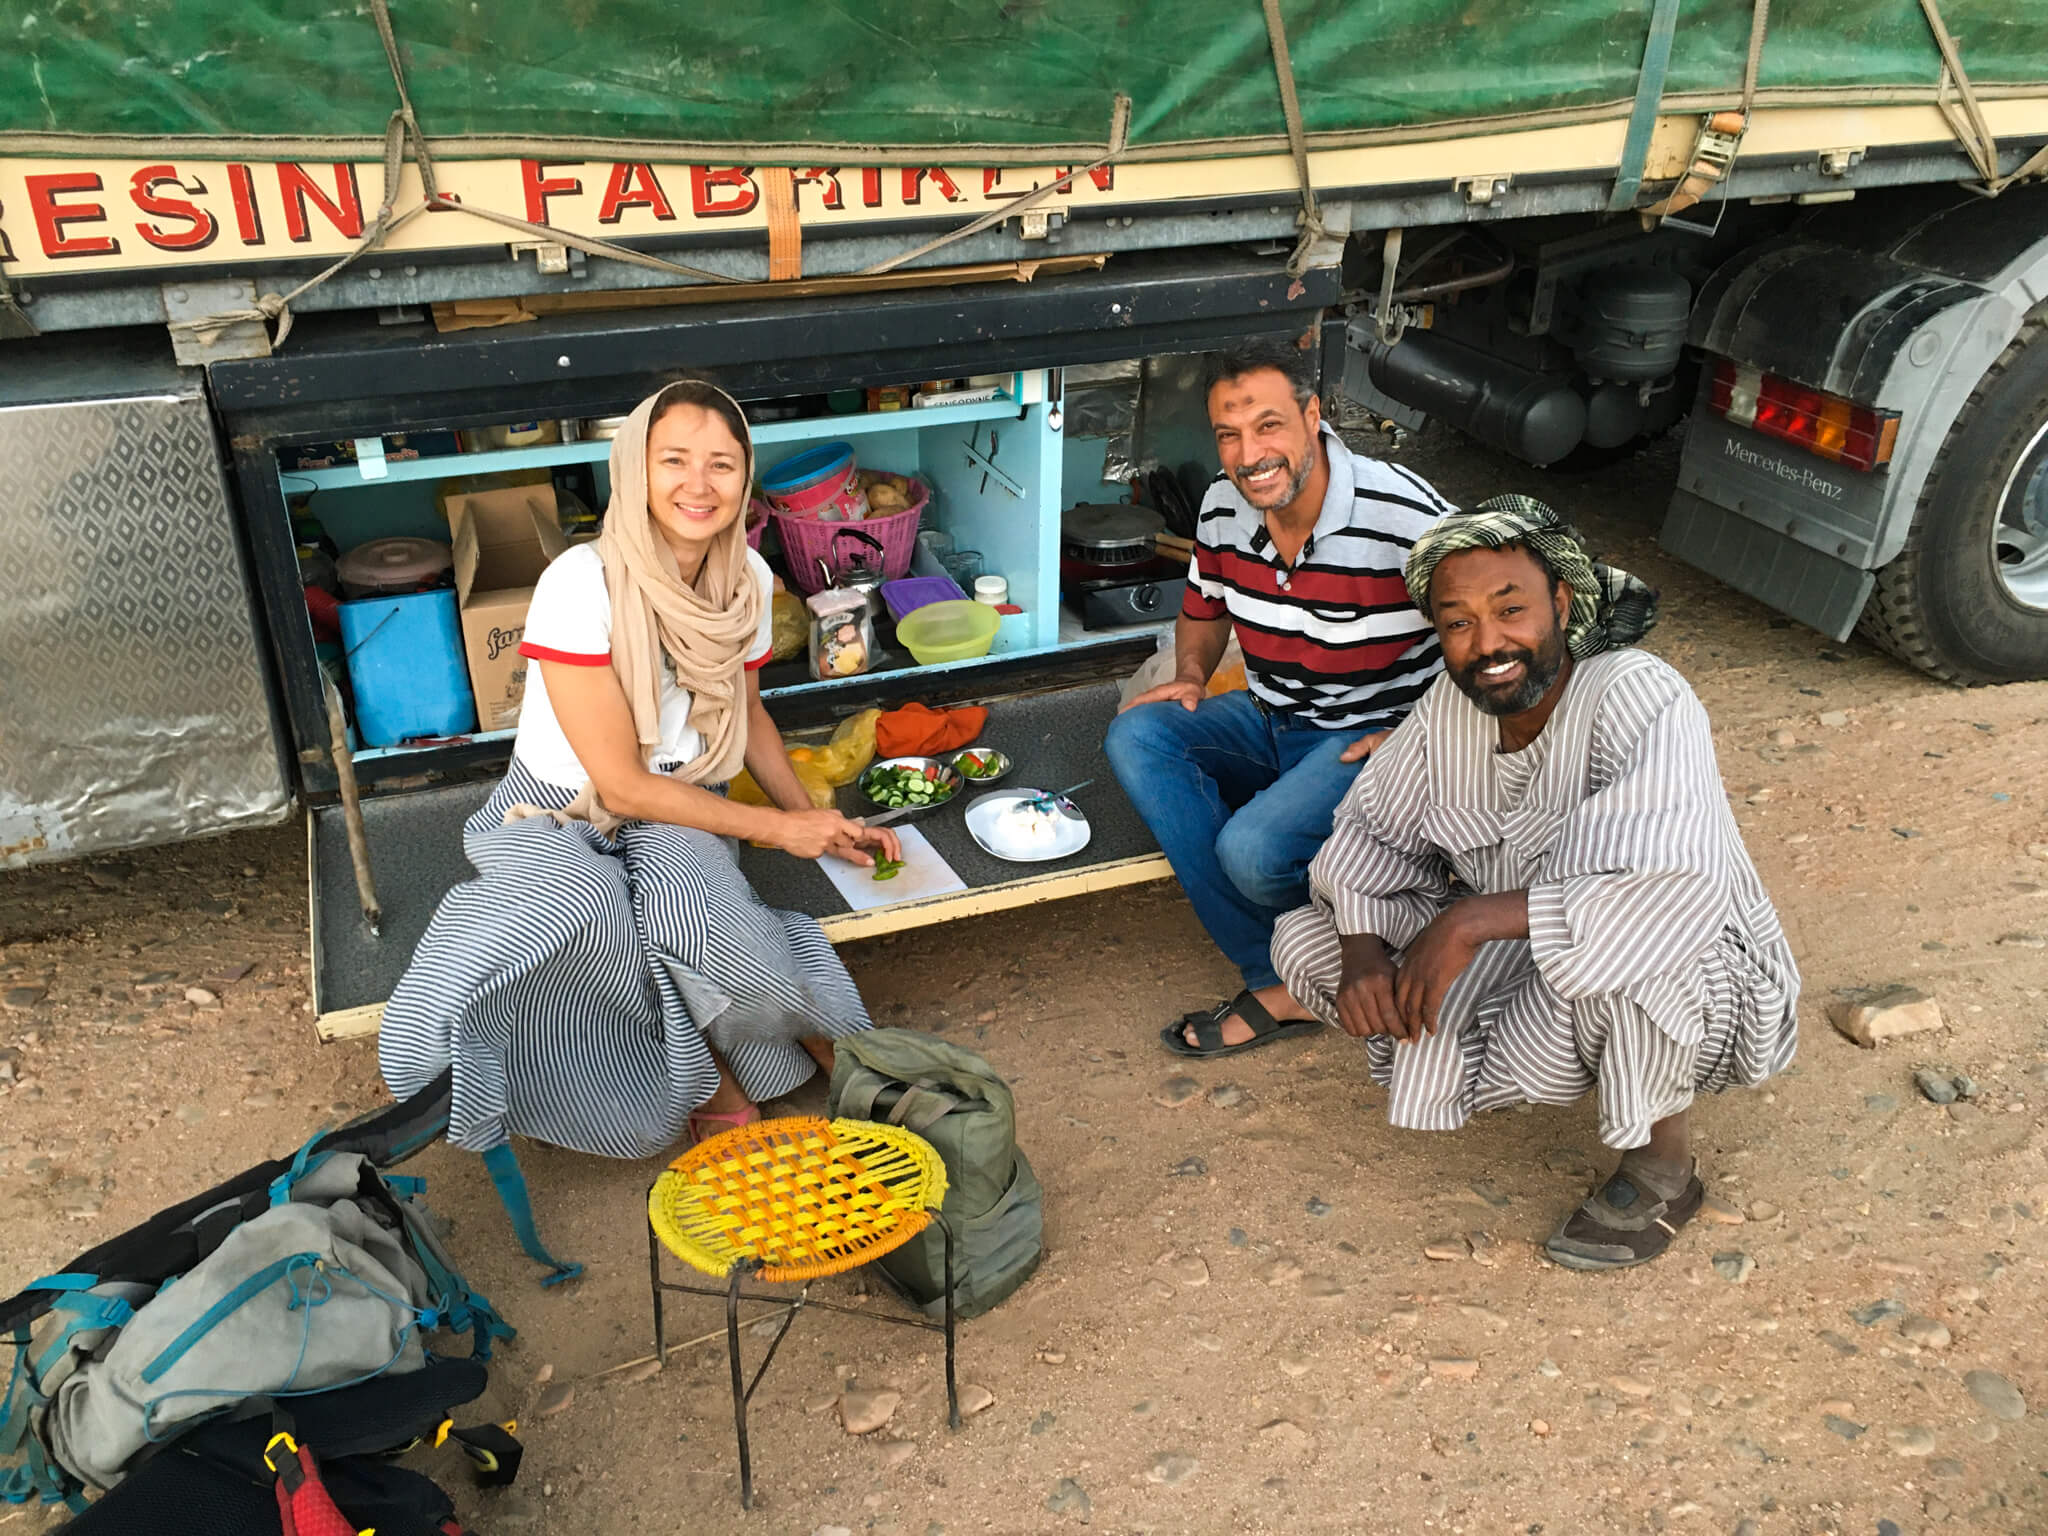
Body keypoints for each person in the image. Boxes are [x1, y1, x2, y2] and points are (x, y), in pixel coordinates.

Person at [1271, 495, 1799, 1270]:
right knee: (1307, 938)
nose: (1488, 643)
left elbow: (1667, 887)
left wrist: (1466, 923)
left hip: (1705, 970)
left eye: (1509, 608)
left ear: (1560, 599)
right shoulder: (1447, 713)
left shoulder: (1638, 693)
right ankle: (1519, 1065)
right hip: (1538, 957)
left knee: (1632, 954)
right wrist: (1360, 950)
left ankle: (1663, 1172)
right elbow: (1368, 833)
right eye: (1458, 622)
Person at [380, 381, 900, 1161]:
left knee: (710, 928)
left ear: (745, 477)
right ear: (634, 468)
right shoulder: (579, 583)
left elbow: (749, 713)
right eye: (675, 461)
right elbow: (617, 785)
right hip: (560, 804)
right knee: (580, 919)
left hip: (685, 792)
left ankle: (830, 1040)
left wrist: (812, 824)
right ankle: (705, 1080)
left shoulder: (748, 580)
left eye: (722, 465)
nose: (700, 485)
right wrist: (777, 829)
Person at [1104, 340, 1453, 1059]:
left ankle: (1373, 922)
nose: (1248, 453)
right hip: (1272, 715)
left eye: (1267, 426)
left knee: (1255, 852)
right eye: (1228, 434)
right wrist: (1194, 676)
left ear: (1313, 417)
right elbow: (1203, 606)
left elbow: (1501, 631)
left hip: (1372, 736)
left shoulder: (1404, 514)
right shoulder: (1223, 505)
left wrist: (1424, 735)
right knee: (1138, 735)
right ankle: (1281, 971)